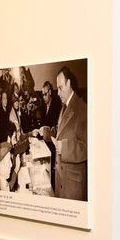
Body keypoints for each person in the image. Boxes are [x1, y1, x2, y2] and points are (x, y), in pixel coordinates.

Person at [50, 66, 87, 200]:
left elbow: (87, 147)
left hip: (72, 186)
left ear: (69, 83)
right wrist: (49, 132)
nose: (58, 93)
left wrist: (64, 148)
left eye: (60, 88)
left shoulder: (82, 109)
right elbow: (64, 131)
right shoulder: (64, 106)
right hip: (61, 180)